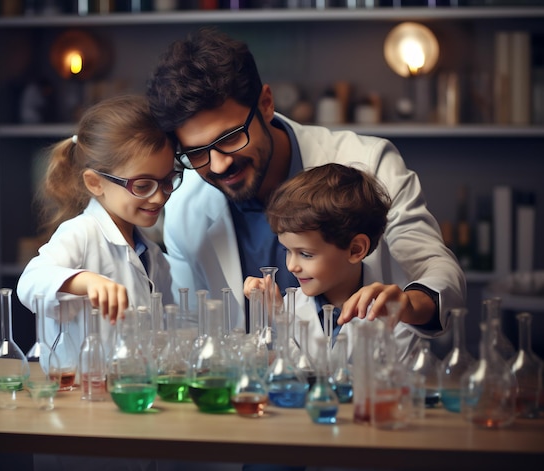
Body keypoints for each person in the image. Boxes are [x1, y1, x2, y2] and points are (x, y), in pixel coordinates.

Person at [146, 27, 465, 341]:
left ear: (266, 104)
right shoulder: (184, 205)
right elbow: (190, 325)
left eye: (230, 138)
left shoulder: (368, 162)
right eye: (197, 152)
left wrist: (409, 304)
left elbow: (436, 270)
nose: (218, 164)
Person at [17, 94, 179, 362]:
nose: (159, 196)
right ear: (95, 183)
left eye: (167, 181)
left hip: (130, 390)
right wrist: (86, 281)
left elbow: (167, 326)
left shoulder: (152, 254)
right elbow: (30, 284)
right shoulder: (80, 233)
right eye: (142, 186)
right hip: (78, 392)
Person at [244, 162, 423, 362]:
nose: (291, 266)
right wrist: (278, 317)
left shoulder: (395, 313)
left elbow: (401, 382)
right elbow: (290, 378)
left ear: (355, 249)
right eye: (287, 251)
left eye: (306, 254)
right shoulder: (286, 309)